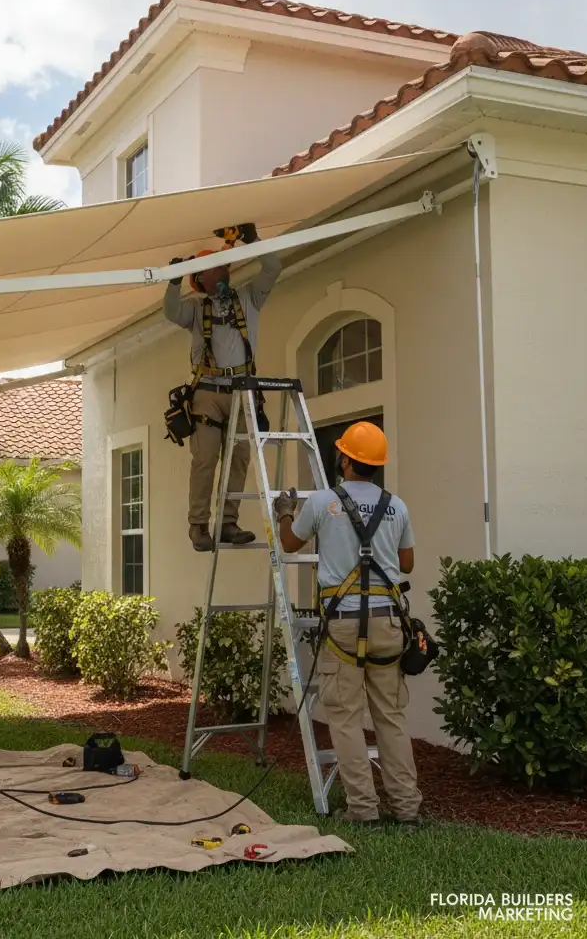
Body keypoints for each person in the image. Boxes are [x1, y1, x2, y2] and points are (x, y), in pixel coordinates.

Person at [272, 420, 422, 826]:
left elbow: (289, 544)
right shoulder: (397, 504)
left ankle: (363, 810)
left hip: (342, 624)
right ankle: (406, 808)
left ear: (344, 459)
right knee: (390, 717)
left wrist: (285, 513)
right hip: (389, 622)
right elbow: (406, 563)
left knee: (346, 717)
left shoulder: (323, 503)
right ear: (375, 465)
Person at [164, 224, 282, 552]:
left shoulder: (249, 297)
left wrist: (252, 239)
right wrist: (175, 281)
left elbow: (273, 267)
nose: (222, 269)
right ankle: (199, 526)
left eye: (223, 265)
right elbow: (170, 311)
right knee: (205, 458)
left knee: (241, 456)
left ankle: (228, 523)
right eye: (213, 267)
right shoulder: (196, 308)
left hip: (242, 389)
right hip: (208, 391)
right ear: (200, 279)